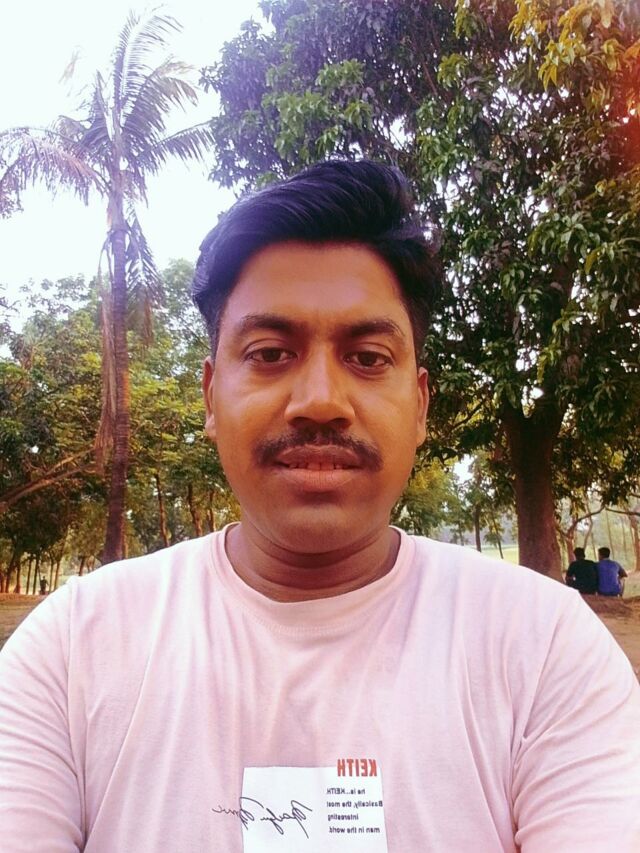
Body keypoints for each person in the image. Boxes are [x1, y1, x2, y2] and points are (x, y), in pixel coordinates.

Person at [1, 161, 639, 852]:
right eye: (271, 352)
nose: (321, 401)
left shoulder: (545, 650)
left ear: (420, 404)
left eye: (367, 357)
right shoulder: (71, 653)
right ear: (211, 395)